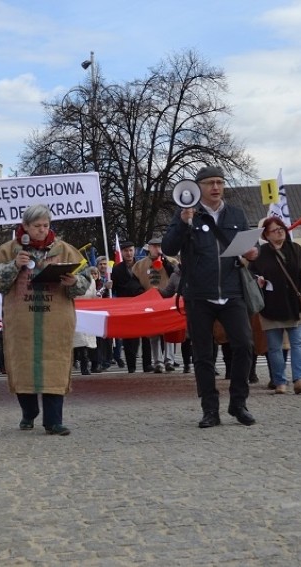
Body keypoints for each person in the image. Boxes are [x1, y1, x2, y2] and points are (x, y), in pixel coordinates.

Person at [161, 165, 259, 428]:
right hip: (199, 294)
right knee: (203, 355)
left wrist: (253, 252)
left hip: (232, 290)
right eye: (210, 183)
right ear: (198, 188)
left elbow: (252, 245)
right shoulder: (186, 215)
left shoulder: (236, 214)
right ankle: (210, 409)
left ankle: (238, 403)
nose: (216, 187)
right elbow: (168, 246)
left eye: (220, 182)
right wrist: (183, 222)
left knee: (244, 345)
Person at [0, 204, 90, 436]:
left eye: (46, 225)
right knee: (23, 369)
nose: (42, 230)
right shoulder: (9, 250)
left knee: (55, 368)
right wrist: (14, 265)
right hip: (22, 323)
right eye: (37, 226)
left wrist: (75, 283)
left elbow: (85, 280)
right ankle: (28, 412)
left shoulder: (66, 250)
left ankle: (54, 421)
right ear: (26, 227)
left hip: (56, 322)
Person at [250, 216, 301, 394]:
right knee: (274, 347)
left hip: (295, 305)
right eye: (275, 230)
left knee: (298, 344)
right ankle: (280, 381)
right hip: (271, 306)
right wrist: (258, 280)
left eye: (281, 228)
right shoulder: (261, 253)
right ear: (266, 234)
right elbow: (251, 274)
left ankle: (299, 380)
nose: (280, 231)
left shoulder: (295, 249)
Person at [132, 236, 176, 372]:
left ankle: (169, 360)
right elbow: (134, 282)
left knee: (169, 331)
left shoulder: (171, 261)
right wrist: (142, 294)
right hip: (150, 302)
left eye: (159, 246)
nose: (157, 249)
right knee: (154, 333)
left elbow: (176, 275)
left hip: (167, 300)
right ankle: (158, 361)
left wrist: (165, 262)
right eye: (154, 246)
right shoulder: (140, 265)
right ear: (149, 248)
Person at [110, 240, 146, 373]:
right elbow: (113, 288)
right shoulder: (117, 269)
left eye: (131, 250)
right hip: (125, 306)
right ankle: (131, 365)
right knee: (129, 336)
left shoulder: (141, 265)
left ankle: (147, 364)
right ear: (122, 252)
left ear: (134, 251)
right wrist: (109, 285)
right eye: (126, 251)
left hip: (141, 303)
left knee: (144, 335)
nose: (129, 253)